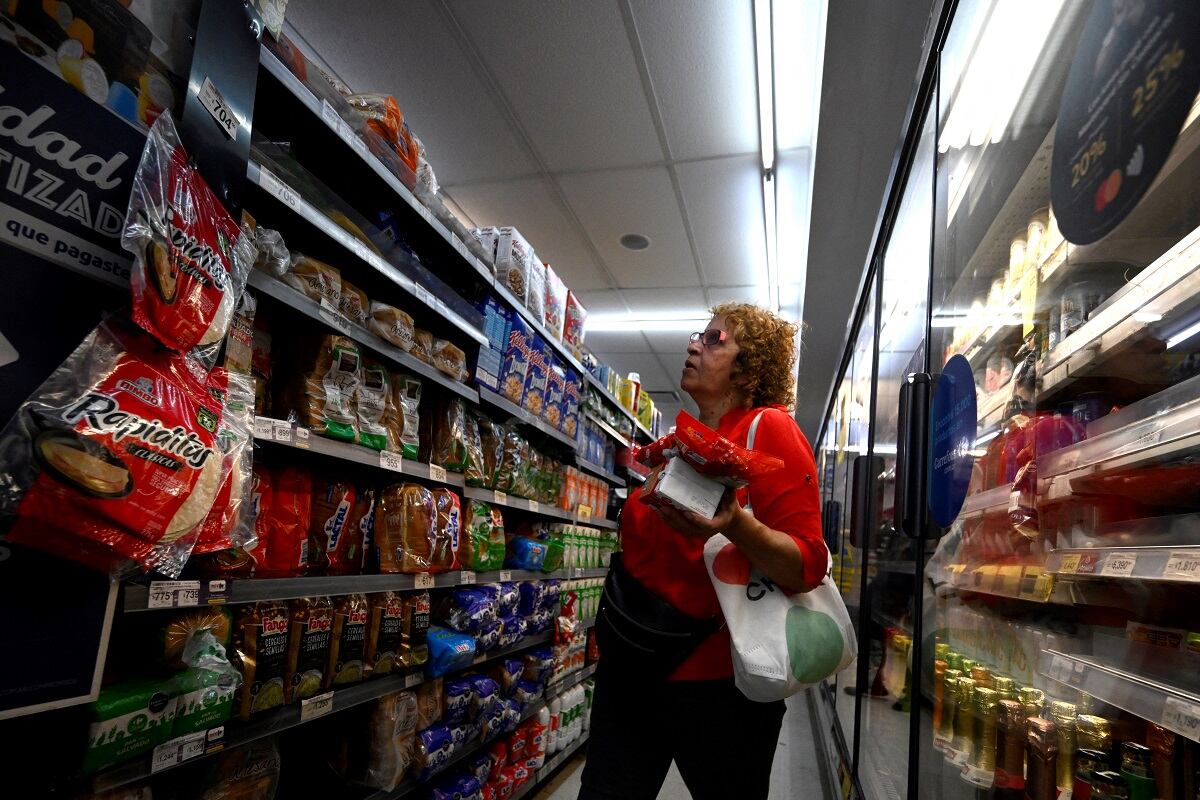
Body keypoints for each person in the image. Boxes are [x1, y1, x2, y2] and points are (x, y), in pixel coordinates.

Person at [580, 303, 827, 800]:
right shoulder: (678, 444)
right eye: (699, 336)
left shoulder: (768, 429)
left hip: (717, 684)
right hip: (631, 667)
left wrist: (736, 523)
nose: (694, 345)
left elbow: (807, 565)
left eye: (716, 340)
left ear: (749, 367)